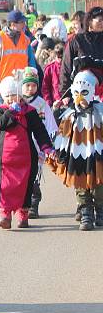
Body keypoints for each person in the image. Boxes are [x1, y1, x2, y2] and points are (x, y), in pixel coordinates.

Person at [0, 76, 52, 229]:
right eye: (8, 96)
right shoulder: (1, 110)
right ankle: (5, 215)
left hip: (26, 156)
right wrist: (11, 111)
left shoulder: (30, 111)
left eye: (14, 94)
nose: (11, 98)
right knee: (4, 186)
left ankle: (23, 214)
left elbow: (40, 130)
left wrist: (47, 147)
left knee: (26, 185)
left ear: (19, 94)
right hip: (4, 158)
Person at [46, 70, 103, 230]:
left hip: (97, 155)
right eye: (77, 93)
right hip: (77, 156)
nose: (80, 97)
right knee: (80, 184)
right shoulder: (70, 115)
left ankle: (100, 210)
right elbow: (62, 135)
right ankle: (86, 213)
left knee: (99, 186)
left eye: (84, 92)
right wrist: (59, 153)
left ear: (91, 91)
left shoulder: (100, 111)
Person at [20, 67, 58, 219]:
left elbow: (49, 124)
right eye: (27, 85)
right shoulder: (17, 101)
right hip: (20, 145)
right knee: (22, 176)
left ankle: (33, 205)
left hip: (37, 145)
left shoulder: (41, 103)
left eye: (34, 85)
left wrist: (49, 145)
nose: (30, 88)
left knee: (34, 176)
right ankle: (22, 205)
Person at [0, 10, 37, 106]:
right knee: (4, 119)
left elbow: (31, 64)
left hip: (22, 88)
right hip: (4, 89)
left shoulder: (26, 40)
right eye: (21, 22)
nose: (24, 24)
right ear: (12, 24)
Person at [42, 40, 66, 109]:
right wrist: (49, 103)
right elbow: (45, 87)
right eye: (58, 57)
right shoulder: (50, 68)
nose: (60, 60)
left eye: (62, 57)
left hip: (68, 102)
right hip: (55, 104)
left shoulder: (70, 67)